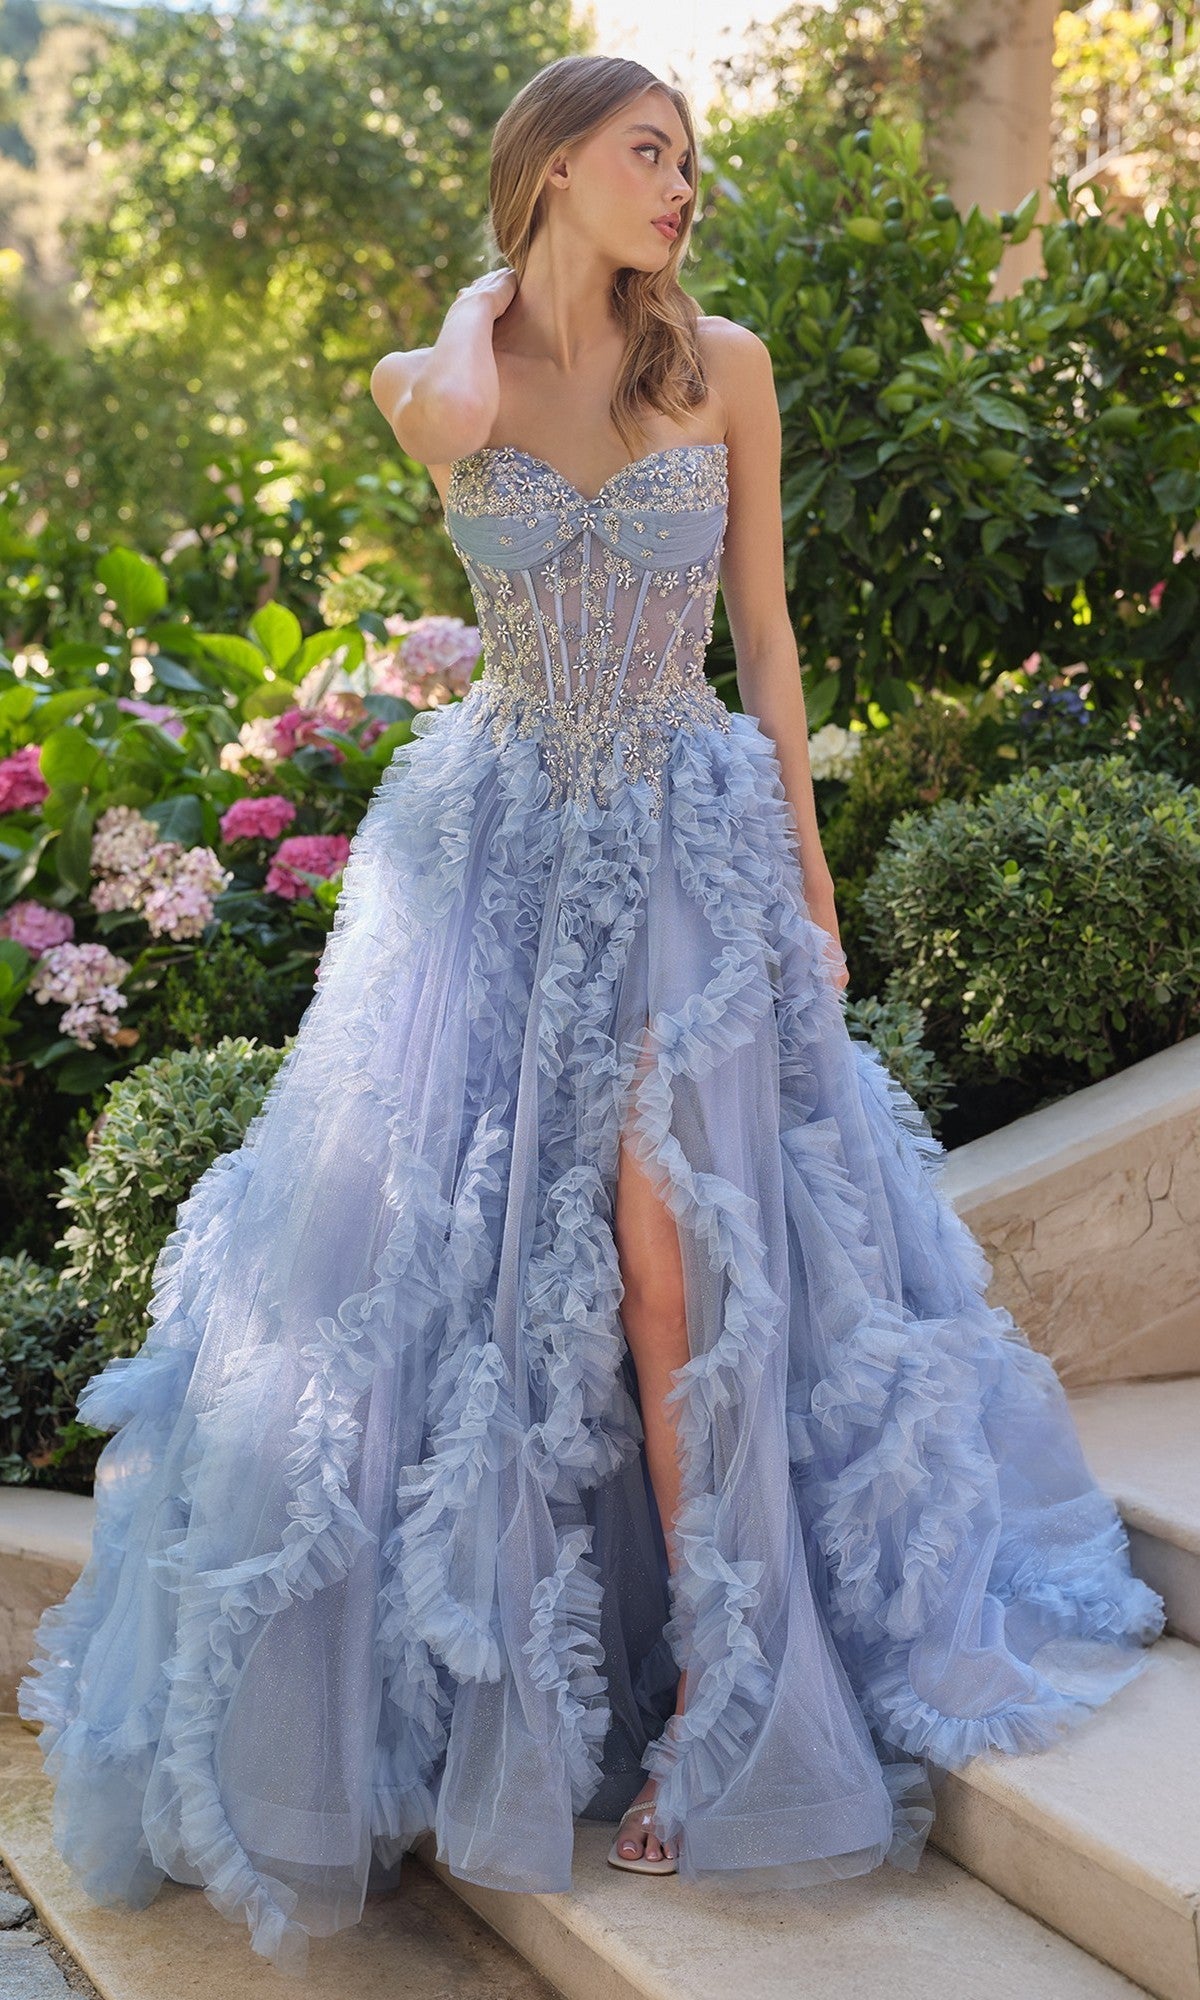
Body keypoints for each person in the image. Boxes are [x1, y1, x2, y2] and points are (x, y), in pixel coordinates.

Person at [18, 50, 1164, 1977]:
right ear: (555, 167)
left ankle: (733, 1677)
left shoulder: (723, 363)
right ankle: (556, 1687)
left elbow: (770, 629)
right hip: (498, 854)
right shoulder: (434, 377)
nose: (685, 187)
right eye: (651, 154)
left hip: (694, 849)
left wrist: (807, 870)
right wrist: (487, 295)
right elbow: (455, 414)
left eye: (691, 160)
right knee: (475, 1284)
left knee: (666, 1251)